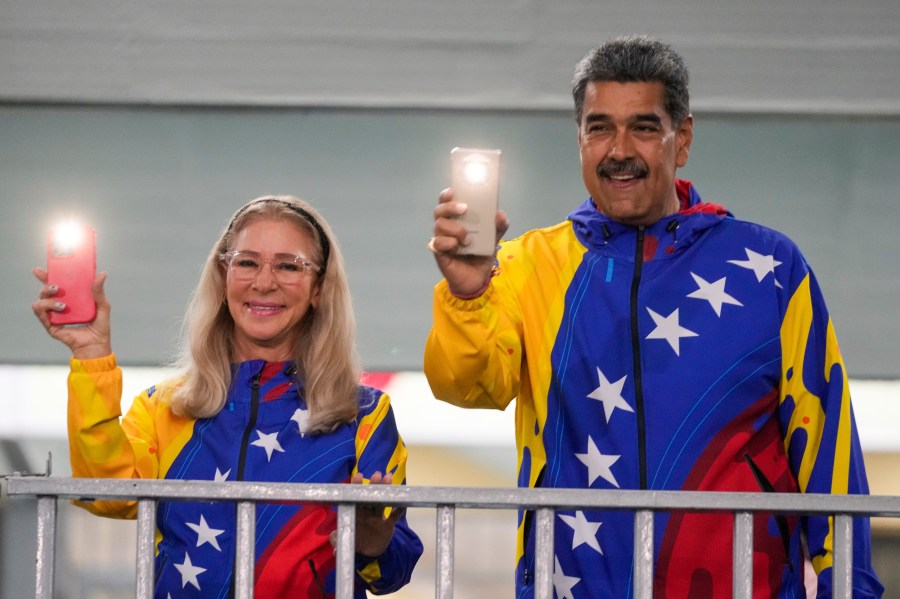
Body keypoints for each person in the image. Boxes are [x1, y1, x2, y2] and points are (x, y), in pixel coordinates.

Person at [424, 35, 883, 598]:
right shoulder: (523, 265)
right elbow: (471, 389)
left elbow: (825, 442)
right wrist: (467, 295)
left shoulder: (770, 266)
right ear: (580, 139)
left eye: (643, 126)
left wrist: (852, 586)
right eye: (599, 127)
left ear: (681, 138)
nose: (619, 149)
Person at [33, 195, 423, 598]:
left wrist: (373, 543)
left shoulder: (364, 414)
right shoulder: (162, 406)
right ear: (223, 276)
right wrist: (91, 356)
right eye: (247, 262)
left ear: (318, 289)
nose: (264, 282)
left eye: (289, 265)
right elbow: (103, 493)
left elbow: (395, 571)